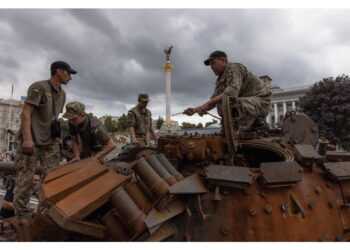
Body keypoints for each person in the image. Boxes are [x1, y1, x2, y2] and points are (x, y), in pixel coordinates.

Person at [13, 61, 77, 220]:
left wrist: (58, 137)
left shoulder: (62, 94)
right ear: (59, 72)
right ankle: (22, 216)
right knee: (26, 178)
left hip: (49, 141)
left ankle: (43, 215)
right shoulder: (39, 87)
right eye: (68, 73)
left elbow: (54, 118)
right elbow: (26, 113)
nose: (70, 77)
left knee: (52, 178)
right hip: (32, 140)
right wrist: (27, 139)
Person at [184, 50, 271, 129]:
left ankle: (259, 124)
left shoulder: (234, 68)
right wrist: (196, 109)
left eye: (213, 63)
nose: (211, 67)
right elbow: (212, 102)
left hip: (261, 102)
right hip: (248, 102)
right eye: (210, 65)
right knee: (221, 103)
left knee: (230, 102)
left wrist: (204, 106)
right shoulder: (221, 80)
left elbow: (231, 93)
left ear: (223, 60)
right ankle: (239, 127)